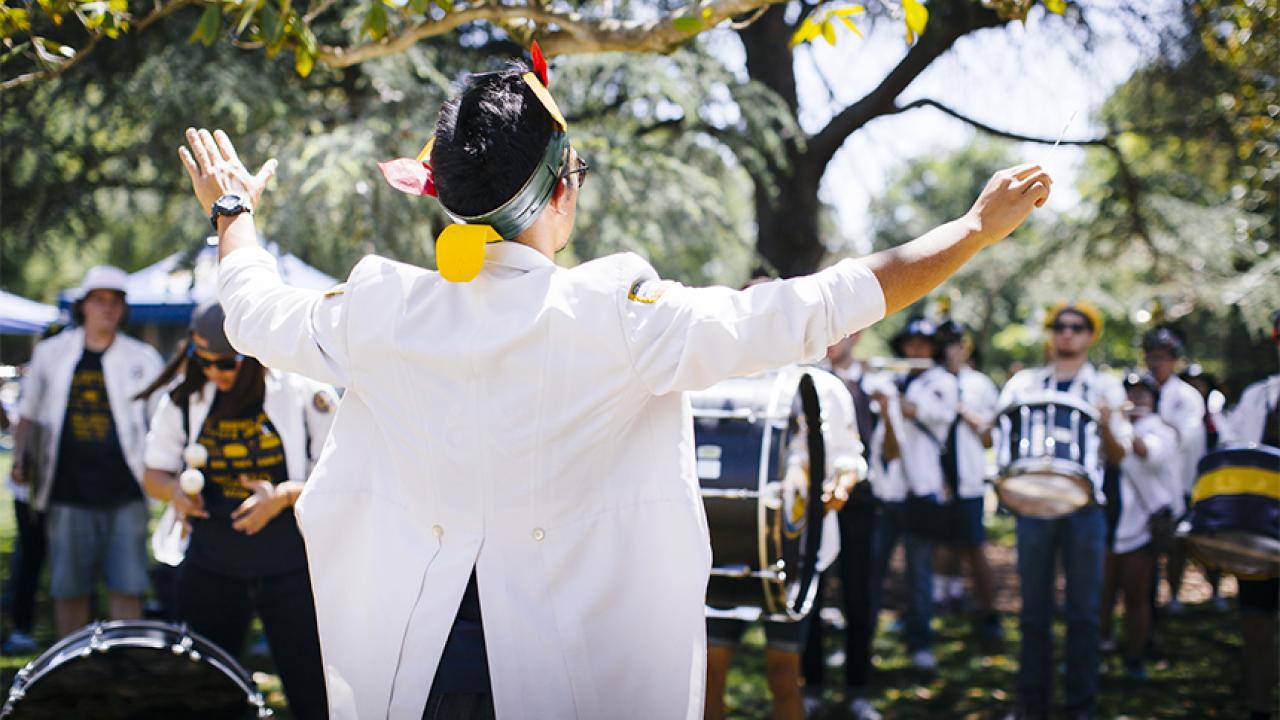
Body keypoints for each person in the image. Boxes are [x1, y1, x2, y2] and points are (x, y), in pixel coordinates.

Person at [177, 52, 1052, 718]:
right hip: (574, 676)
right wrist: (973, 229)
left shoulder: (378, 307)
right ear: (563, 190)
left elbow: (252, 310)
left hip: (414, 669)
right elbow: (824, 305)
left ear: (442, 196)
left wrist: (234, 214)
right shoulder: (621, 315)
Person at [137, 301, 333, 718]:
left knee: (313, 691)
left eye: (225, 365)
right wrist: (175, 492)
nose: (213, 374)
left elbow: (343, 477)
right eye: (201, 361)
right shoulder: (185, 400)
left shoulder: (302, 392)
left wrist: (281, 496)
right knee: (206, 694)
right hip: (212, 568)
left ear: (255, 355)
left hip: (291, 570)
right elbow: (153, 473)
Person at [9, 266, 162, 638]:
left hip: (125, 492)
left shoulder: (142, 357)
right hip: (65, 491)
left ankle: (127, 667)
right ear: (84, 306)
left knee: (127, 586)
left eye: (115, 302)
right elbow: (28, 413)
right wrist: (19, 459)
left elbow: (162, 420)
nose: (107, 309)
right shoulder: (51, 353)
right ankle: (73, 671)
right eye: (99, 301)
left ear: (123, 309)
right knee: (69, 588)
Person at [704, 366, 859, 720]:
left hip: (795, 554)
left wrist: (842, 485)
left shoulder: (824, 387)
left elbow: (849, 456)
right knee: (710, 672)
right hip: (727, 546)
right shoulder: (729, 379)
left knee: (784, 674)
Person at [999, 301, 1127, 720]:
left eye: (1077, 327)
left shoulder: (1106, 386)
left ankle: (1080, 706)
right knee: (1033, 612)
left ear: (1091, 335)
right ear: (1051, 333)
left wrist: (1108, 424)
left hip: (1085, 510)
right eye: (1060, 326)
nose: (1067, 333)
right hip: (1032, 505)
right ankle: (1031, 705)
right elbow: (998, 438)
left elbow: (1120, 455)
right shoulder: (1024, 384)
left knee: (1084, 615)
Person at [802, 332, 883, 720]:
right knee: (810, 596)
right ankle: (811, 685)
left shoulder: (870, 382)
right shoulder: (802, 377)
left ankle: (857, 689)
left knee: (859, 597)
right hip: (808, 505)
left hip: (859, 503)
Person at [867, 317, 956, 671]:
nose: (917, 349)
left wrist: (892, 400)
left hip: (923, 489)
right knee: (873, 569)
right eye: (912, 343)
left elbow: (933, 414)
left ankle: (921, 642)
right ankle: (864, 642)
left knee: (920, 571)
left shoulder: (943, 382)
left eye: (925, 343)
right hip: (888, 489)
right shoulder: (890, 377)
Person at [1214, 309, 1280, 720]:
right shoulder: (1258, 395)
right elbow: (1230, 451)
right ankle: (1260, 709)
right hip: (1258, 531)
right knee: (1256, 626)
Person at [1098, 373, 1175, 680]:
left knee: (1136, 595)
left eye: (1144, 394)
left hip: (1139, 524)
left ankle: (1135, 657)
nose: (1137, 399)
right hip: (1106, 519)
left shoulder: (1160, 429)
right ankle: (1100, 647)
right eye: (1132, 393)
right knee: (1101, 592)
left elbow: (1147, 453)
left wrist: (1123, 425)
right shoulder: (1110, 426)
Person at [933, 320, 1001, 638]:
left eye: (954, 343)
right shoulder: (928, 381)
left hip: (969, 480)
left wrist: (966, 414)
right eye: (943, 344)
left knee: (974, 547)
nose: (949, 350)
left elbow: (990, 438)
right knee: (939, 545)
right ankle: (941, 601)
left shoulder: (980, 386)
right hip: (935, 481)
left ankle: (989, 612)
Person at [1139, 327, 1206, 614]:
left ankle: (1174, 595)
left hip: (1178, 480)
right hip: (1143, 482)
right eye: (1151, 356)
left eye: (1162, 357)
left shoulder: (1187, 396)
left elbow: (1182, 438)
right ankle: (1146, 602)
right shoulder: (1137, 389)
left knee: (1176, 542)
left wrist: (1154, 426)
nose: (1156, 363)